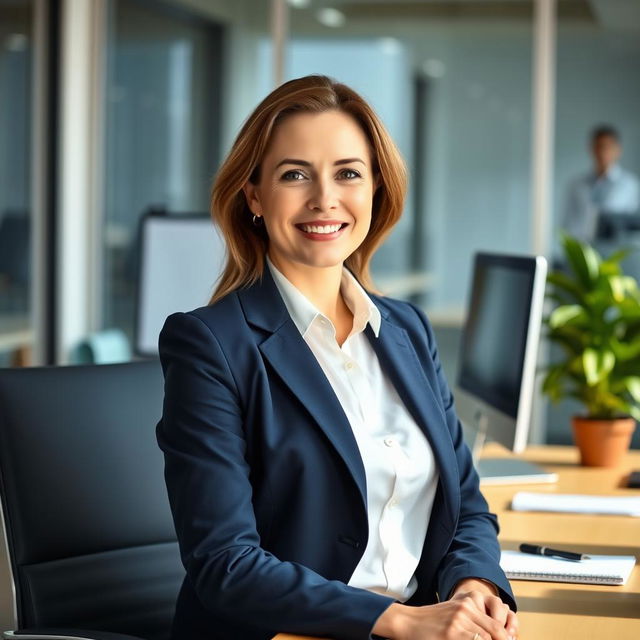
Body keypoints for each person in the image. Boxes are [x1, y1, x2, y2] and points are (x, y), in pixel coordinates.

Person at [156, 74, 518, 640]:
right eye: (295, 174)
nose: (324, 198)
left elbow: (467, 506)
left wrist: (475, 587)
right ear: (253, 195)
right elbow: (224, 563)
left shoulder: (406, 329)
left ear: (376, 189)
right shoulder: (210, 345)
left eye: (348, 173)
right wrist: (397, 621)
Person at [563, 125, 640, 243]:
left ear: (617, 150)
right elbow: (569, 224)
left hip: (616, 253)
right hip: (582, 251)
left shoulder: (630, 186)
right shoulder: (576, 185)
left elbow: (632, 227)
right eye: (598, 147)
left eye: (607, 147)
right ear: (591, 149)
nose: (602, 152)